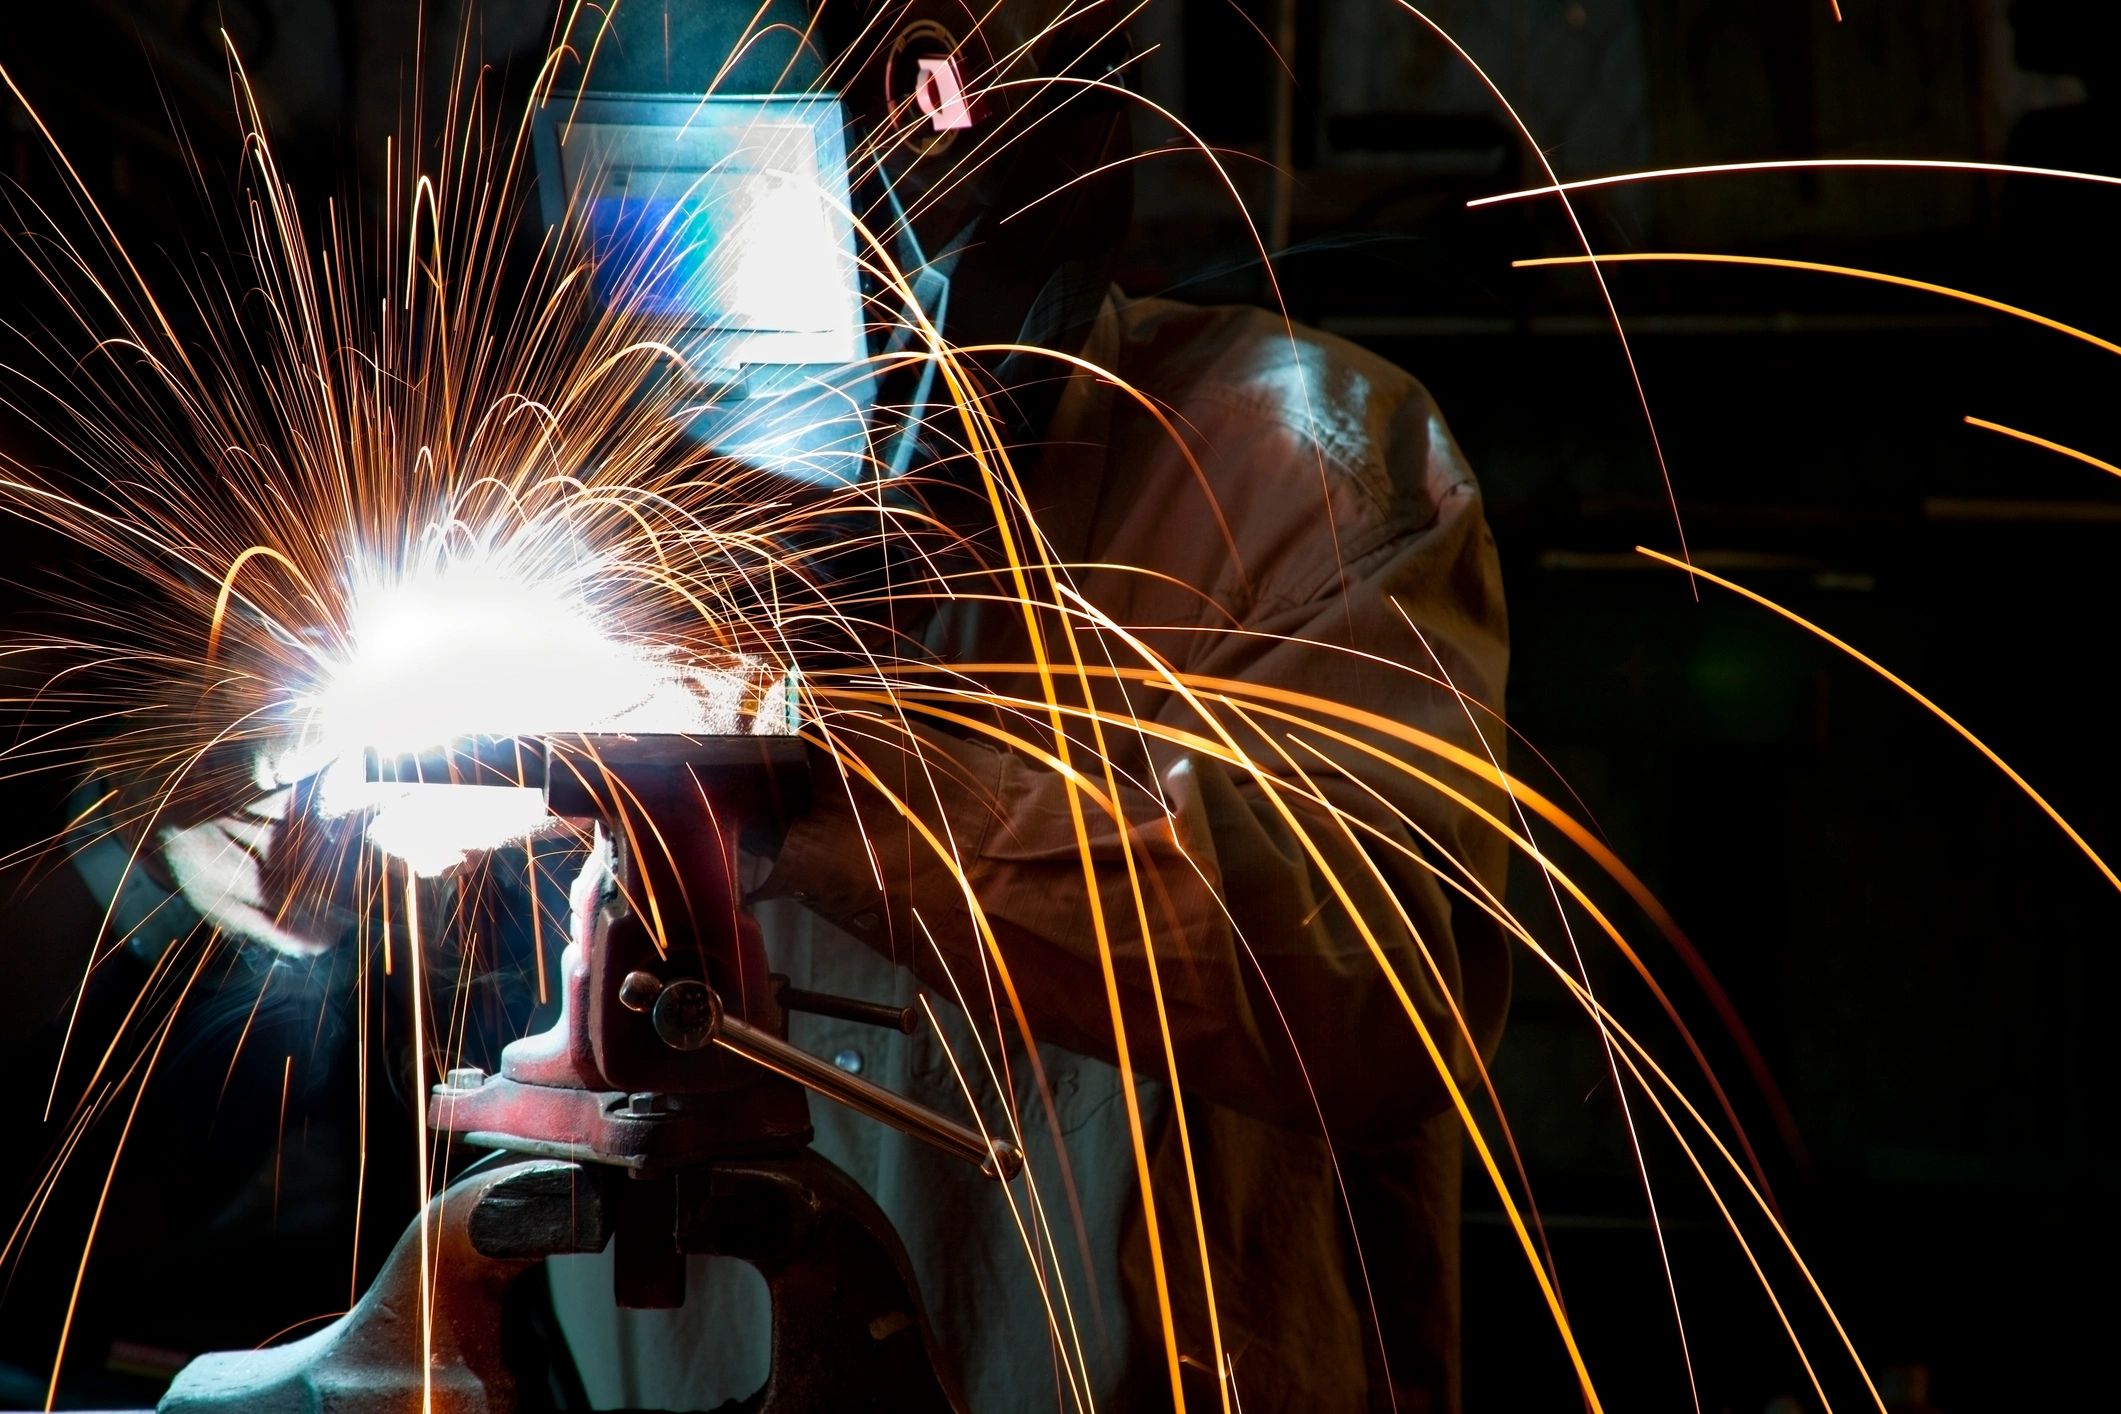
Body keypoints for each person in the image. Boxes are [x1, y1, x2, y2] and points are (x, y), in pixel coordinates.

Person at [12, 3, 1512, 1409]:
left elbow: (1380, 986)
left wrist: (763, 779)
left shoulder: (1299, 464)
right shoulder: (590, 499)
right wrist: (198, 826)